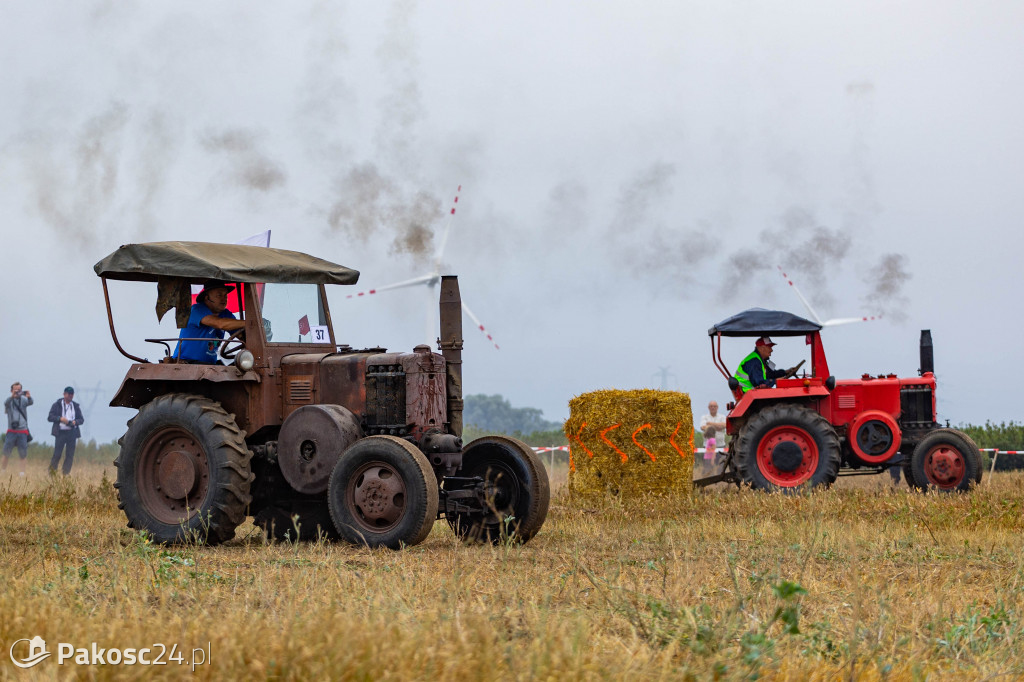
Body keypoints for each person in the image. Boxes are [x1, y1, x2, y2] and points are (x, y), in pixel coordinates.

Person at [174, 280, 246, 364]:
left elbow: (240, 334)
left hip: (210, 366)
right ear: (207, 298)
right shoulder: (196, 310)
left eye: (225, 295)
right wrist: (251, 322)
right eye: (219, 295)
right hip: (186, 363)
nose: (224, 299)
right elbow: (220, 324)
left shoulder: (226, 314)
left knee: (240, 368)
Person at [734, 336, 799, 391]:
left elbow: (771, 374)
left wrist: (785, 372)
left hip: (753, 391)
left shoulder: (761, 360)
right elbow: (760, 383)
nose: (771, 350)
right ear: (762, 348)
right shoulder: (754, 362)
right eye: (769, 347)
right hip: (748, 392)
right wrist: (775, 381)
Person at [47, 386, 84, 476]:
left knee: (70, 455)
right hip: (60, 432)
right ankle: (52, 473)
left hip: (72, 432)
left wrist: (75, 422)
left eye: (72, 394)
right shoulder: (57, 404)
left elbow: (81, 420)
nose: (70, 396)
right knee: (57, 454)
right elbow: (50, 417)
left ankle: (65, 474)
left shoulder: (75, 406)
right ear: (64, 394)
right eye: (68, 394)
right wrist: (60, 419)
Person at [1, 382, 32, 477]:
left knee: (23, 454)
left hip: (22, 431)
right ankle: (2, 471)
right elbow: (5, 403)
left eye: (19, 390)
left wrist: (28, 396)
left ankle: (22, 474)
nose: (18, 392)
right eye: (15, 390)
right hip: (11, 430)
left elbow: (30, 402)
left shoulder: (23, 400)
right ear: (11, 390)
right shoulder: (9, 401)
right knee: (6, 453)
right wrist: (12, 396)